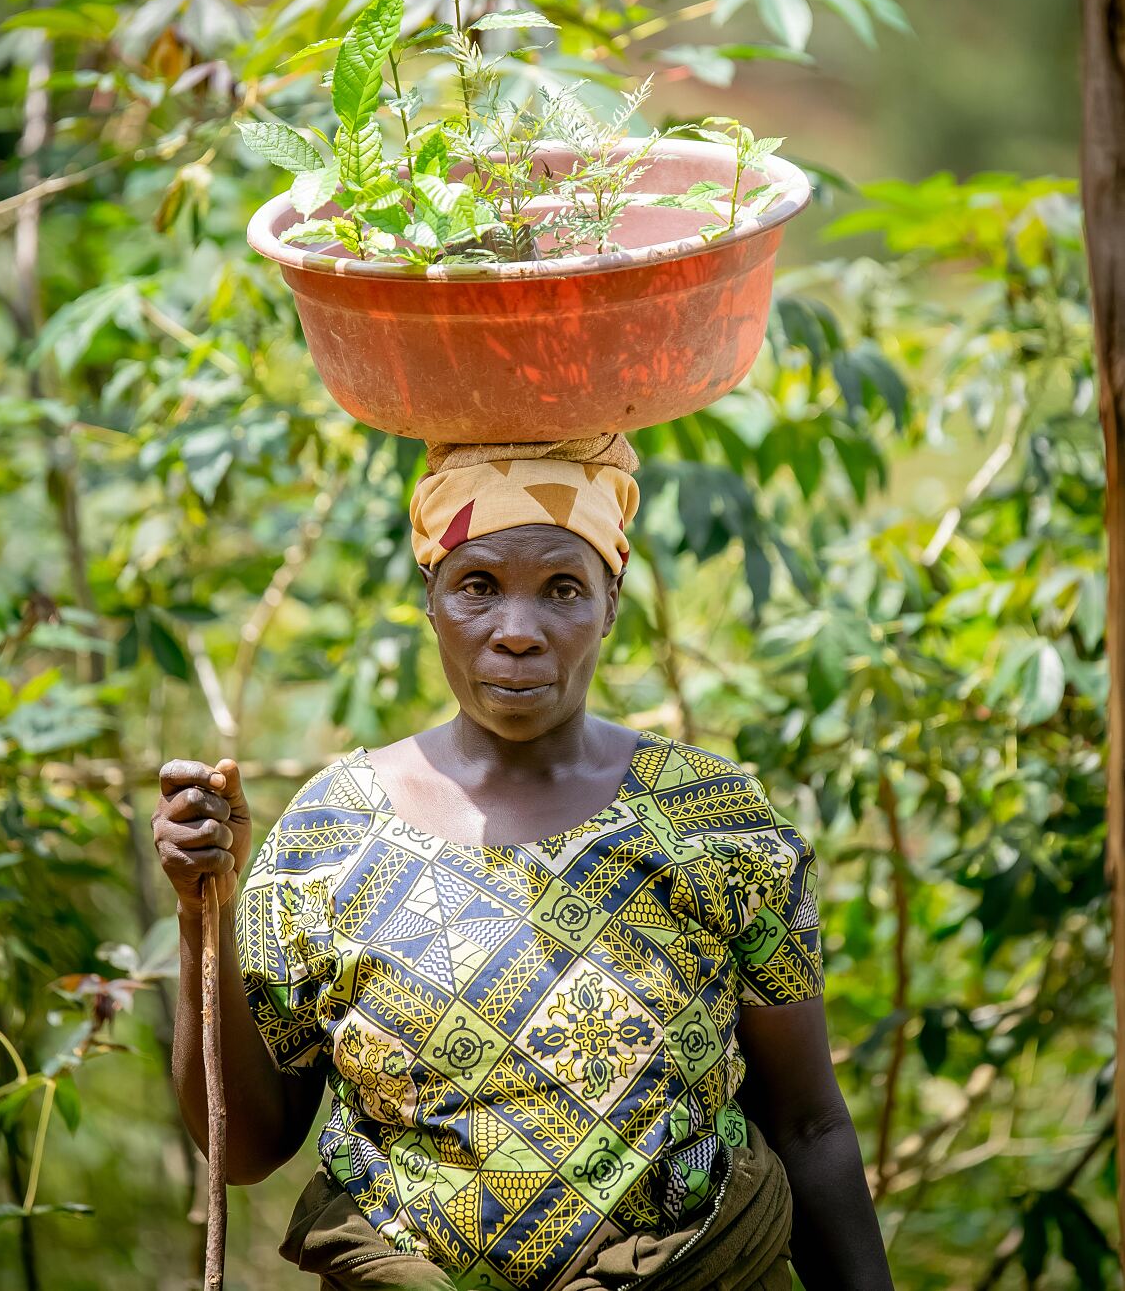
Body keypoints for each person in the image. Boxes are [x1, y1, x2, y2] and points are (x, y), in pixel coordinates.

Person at [153, 435, 895, 1291]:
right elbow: (245, 1150)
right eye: (478, 587)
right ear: (429, 598)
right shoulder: (333, 832)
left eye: (562, 590)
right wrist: (198, 910)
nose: (517, 633)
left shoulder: (709, 819)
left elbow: (807, 1127)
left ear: (610, 604)